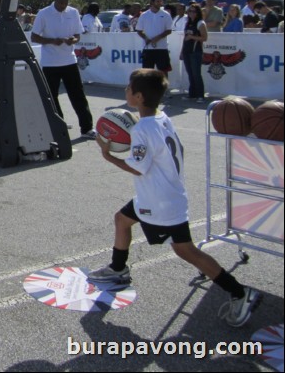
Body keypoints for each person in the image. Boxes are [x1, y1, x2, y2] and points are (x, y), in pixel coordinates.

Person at [90, 69, 260, 327]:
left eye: (128, 88)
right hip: (161, 194)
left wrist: (107, 154)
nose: (125, 91)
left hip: (158, 203)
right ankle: (118, 269)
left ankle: (238, 292)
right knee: (122, 220)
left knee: (185, 250)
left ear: (137, 96)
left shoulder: (143, 129)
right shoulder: (161, 117)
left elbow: (138, 167)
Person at [30, 0, 96, 140]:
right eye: (61, 3)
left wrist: (73, 40)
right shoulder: (43, 13)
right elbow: (34, 37)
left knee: (78, 95)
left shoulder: (73, 13)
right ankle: (58, 125)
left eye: (66, 3)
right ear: (55, 0)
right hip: (50, 63)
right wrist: (52, 41)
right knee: (51, 96)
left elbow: (78, 35)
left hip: (69, 61)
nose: (63, 6)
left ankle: (87, 128)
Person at [135, 0, 173, 77]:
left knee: (163, 71)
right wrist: (146, 38)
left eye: (161, 1)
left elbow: (169, 30)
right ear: (152, 2)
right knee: (147, 72)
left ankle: (163, 89)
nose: (160, 3)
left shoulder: (166, 14)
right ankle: (148, 89)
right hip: (148, 48)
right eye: (158, 1)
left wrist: (158, 38)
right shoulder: (144, 15)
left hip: (162, 48)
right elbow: (139, 30)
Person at [180, 4, 208, 102]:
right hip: (187, 50)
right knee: (190, 73)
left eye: (194, 11)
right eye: (190, 11)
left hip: (196, 51)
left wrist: (192, 37)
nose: (191, 13)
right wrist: (182, 51)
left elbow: (204, 38)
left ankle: (200, 95)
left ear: (198, 13)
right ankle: (192, 94)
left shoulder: (200, 23)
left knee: (196, 74)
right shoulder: (188, 22)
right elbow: (185, 38)